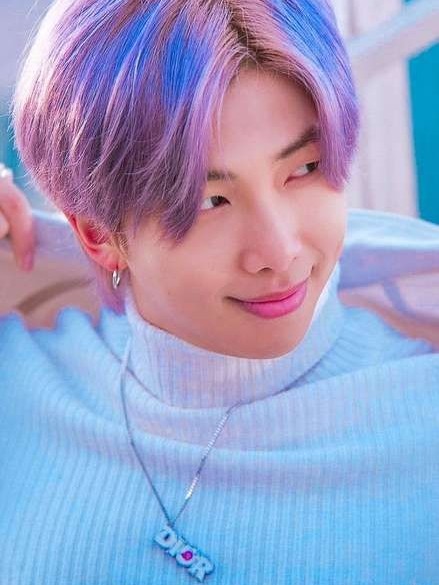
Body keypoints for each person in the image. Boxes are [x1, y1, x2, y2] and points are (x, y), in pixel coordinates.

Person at [0, 0, 438, 583]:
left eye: (303, 169)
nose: (278, 251)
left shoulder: (424, 413)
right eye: (212, 201)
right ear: (98, 234)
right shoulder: (18, 382)